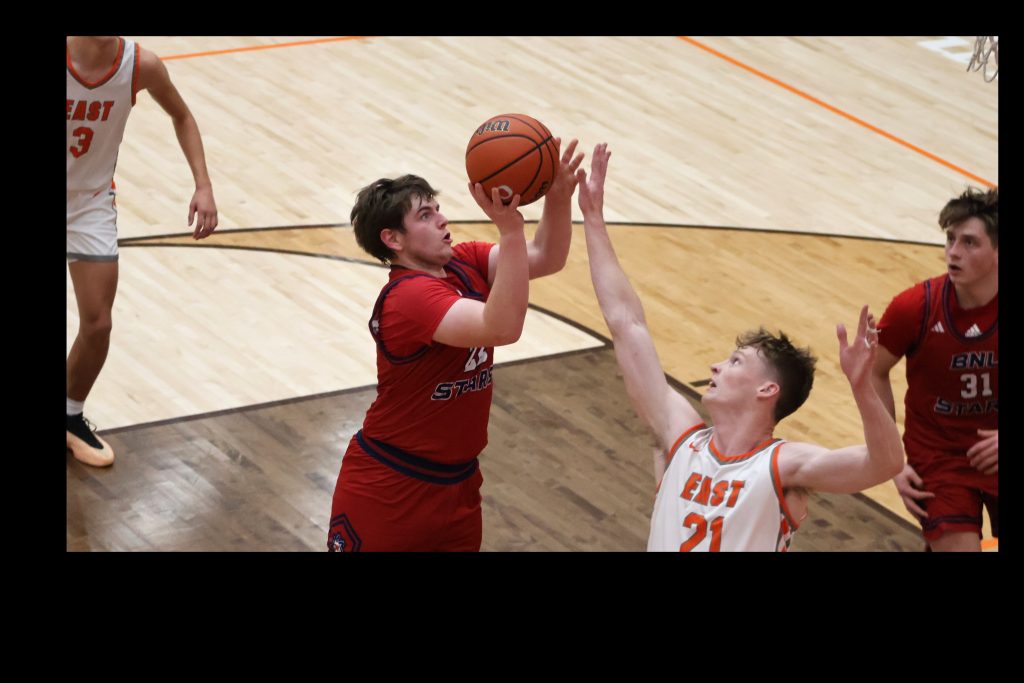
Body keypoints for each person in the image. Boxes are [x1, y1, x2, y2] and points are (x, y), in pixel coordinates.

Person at [577, 144, 904, 551]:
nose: (715, 367)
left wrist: (862, 389)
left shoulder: (784, 465)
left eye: (735, 361)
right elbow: (627, 323)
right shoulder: (681, 435)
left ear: (767, 389)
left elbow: (886, 463)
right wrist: (593, 219)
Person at [327, 140, 584, 552]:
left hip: (458, 483)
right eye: (425, 215)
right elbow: (501, 327)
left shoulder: (465, 261)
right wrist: (511, 229)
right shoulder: (408, 298)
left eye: (437, 208)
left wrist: (557, 197)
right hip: (390, 486)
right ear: (392, 239)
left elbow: (545, 256)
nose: (443, 219)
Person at [67, 36, 218, 467]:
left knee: (98, 324)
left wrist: (203, 185)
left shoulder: (140, 65)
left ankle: (70, 415)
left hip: (90, 204)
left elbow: (182, 115)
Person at [871, 188, 998, 552]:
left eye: (969, 242)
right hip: (939, 456)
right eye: (950, 239)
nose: (953, 252)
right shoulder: (915, 307)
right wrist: (892, 459)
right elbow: (872, 372)